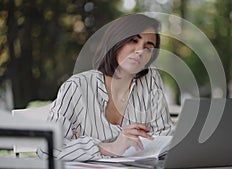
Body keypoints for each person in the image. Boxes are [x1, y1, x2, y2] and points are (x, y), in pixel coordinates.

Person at [37, 14, 174, 161]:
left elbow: (163, 136)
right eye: (133, 40)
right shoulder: (77, 86)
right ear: (116, 41)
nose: (140, 51)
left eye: (148, 48)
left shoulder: (150, 80)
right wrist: (110, 148)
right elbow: (46, 148)